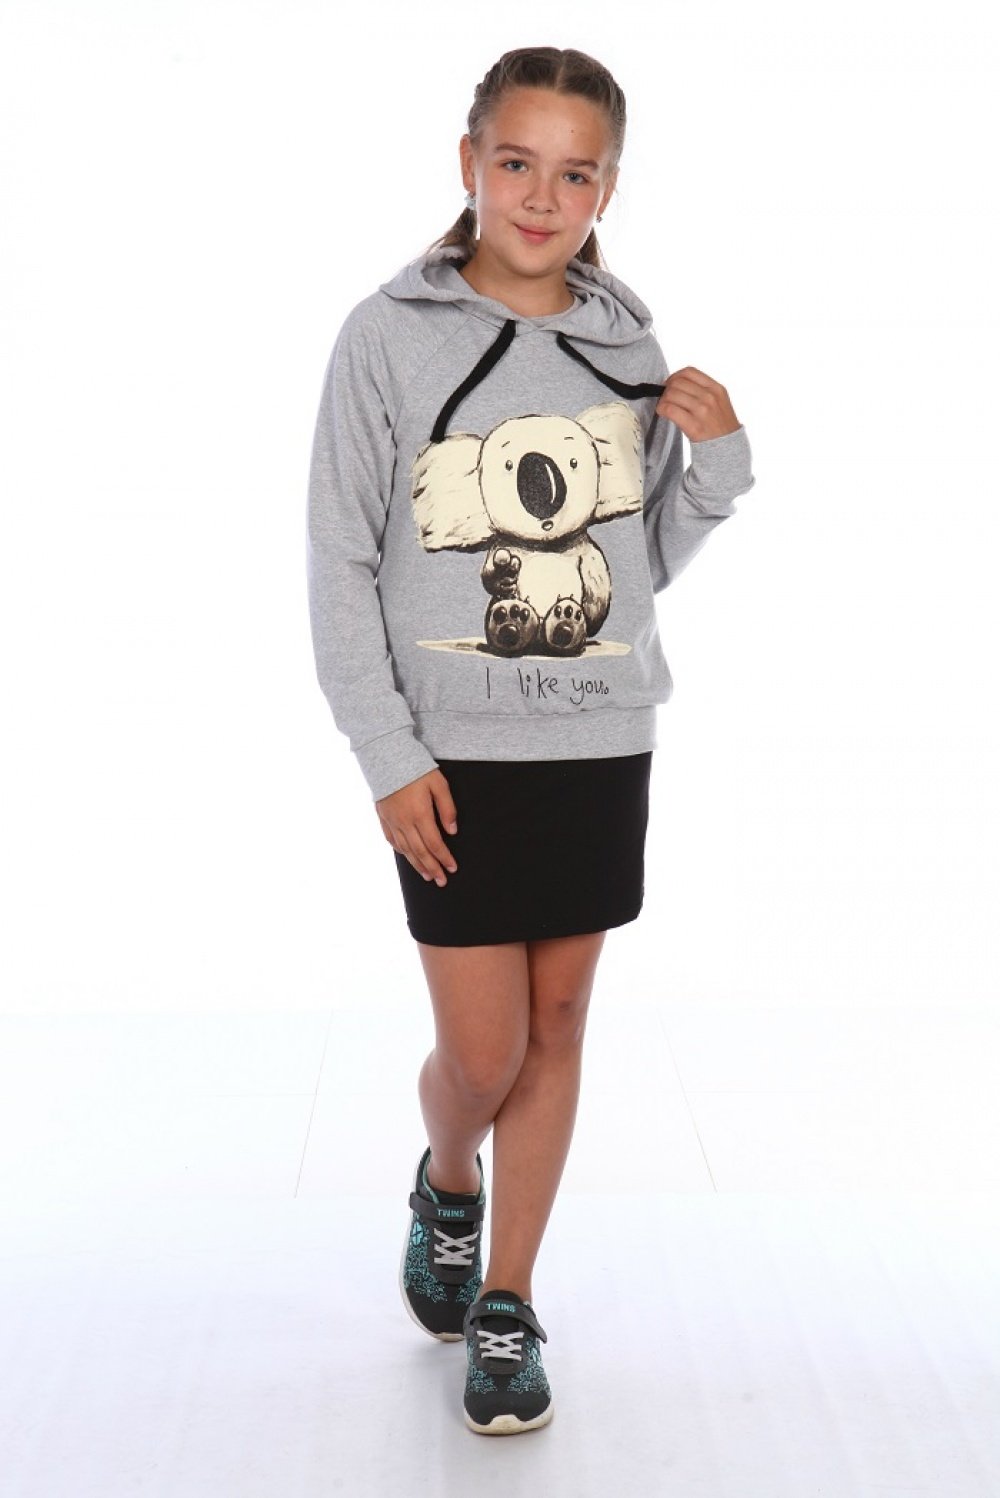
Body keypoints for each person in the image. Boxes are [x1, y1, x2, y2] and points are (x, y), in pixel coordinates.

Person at [305, 45, 756, 1436]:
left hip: (600, 741)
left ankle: (507, 1299)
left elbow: (634, 565)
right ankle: (449, 1179)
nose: (542, 198)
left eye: (575, 173)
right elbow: (339, 559)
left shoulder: (628, 340)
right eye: (517, 164)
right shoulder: (387, 334)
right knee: (484, 1052)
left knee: (560, 1024)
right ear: (470, 165)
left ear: (608, 187)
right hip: (448, 757)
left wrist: (720, 464)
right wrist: (387, 751)